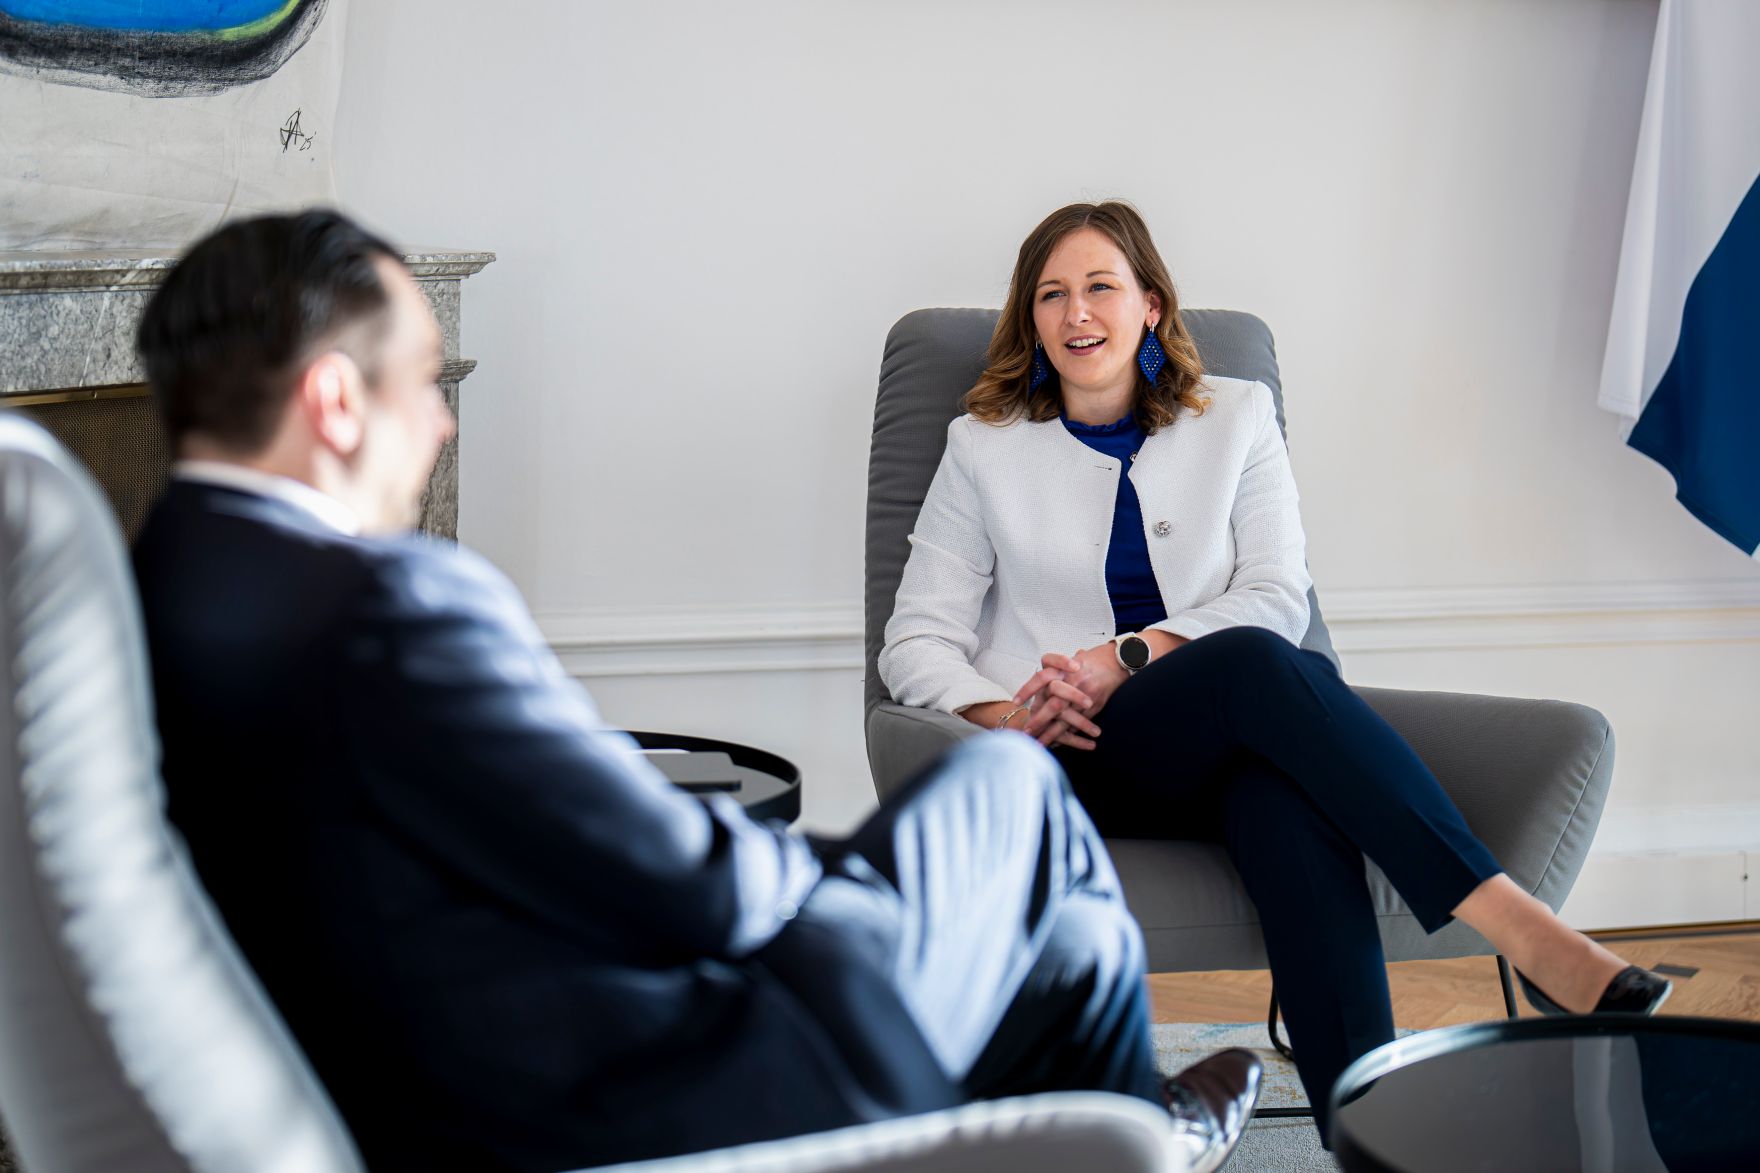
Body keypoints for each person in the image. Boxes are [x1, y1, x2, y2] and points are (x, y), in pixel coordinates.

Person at [128, 209, 1263, 1173]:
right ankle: (1129, 1131)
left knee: (1064, 929)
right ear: (333, 401)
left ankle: (1122, 1132)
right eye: (422, 383)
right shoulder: (388, 607)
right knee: (1013, 792)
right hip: (646, 1083)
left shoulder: (168, 589)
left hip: (463, 1063)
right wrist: (853, 884)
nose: (441, 421)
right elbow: (695, 891)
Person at [878, 200, 1673, 1140]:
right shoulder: (985, 446)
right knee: (1253, 665)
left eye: (1100, 286)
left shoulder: (1239, 417)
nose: (1075, 311)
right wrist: (1011, 715)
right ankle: (1519, 924)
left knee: (1287, 806)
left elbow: (1276, 595)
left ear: (1151, 306)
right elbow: (912, 643)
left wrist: (1124, 655)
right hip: (1077, 759)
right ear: (1031, 319)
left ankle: (1374, 1138)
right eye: (1050, 294)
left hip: (1222, 747)